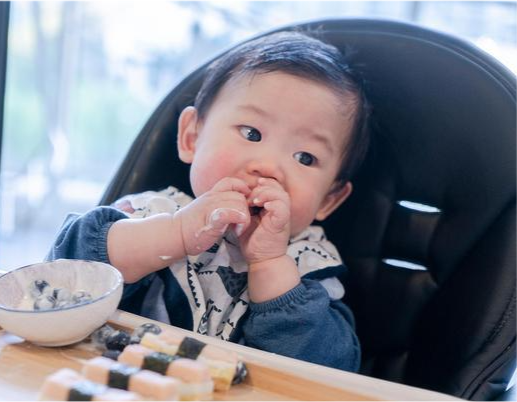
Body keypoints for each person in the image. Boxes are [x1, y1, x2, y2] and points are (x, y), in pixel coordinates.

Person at [47, 30, 370, 372]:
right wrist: (177, 232)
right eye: (251, 134)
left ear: (329, 199)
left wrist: (271, 266)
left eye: (305, 157)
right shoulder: (150, 214)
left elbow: (334, 370)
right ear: (192, 137)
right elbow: (61, 278)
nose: (269, 167)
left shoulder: (309, 265)